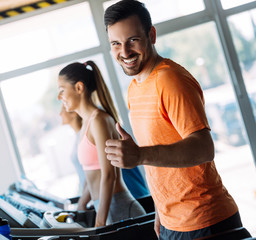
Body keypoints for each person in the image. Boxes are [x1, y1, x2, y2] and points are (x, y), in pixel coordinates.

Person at [103, 1, 250, 239]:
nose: (125, 51)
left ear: (151, 35)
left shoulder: (170, 79)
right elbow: (161, 158)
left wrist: (139, 155)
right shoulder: (134, 88)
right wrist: (161, 209)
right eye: (116, 44)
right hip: (172, 222)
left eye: (133, 40)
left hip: (204, 220)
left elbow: (204, 148)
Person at [57, 60, 146, 227]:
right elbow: (90, 175)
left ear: (79, 88)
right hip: (105, 208)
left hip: (120, 208)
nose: (59, 97)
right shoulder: (86, 123)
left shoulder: (99, 120)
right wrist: (81, 206)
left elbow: (109, 174)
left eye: (62, 91)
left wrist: (99, 222)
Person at [59, 105, 90, 209]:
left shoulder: (85, 135)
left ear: (73, 113)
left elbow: (94, 174)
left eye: (62, 110)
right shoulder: (78, 136)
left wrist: (82, 203)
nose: (60, 114)